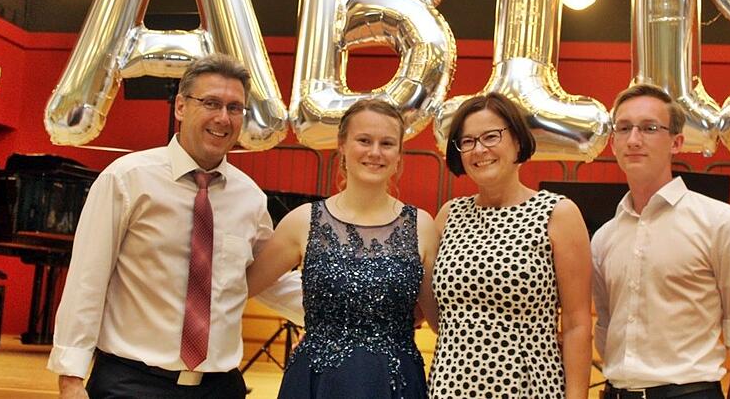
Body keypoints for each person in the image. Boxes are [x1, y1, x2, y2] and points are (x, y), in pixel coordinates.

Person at [47, 54, 304, 399]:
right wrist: (71, 377)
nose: (223, 118)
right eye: (211, 103)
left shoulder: (250, 199)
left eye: (234, 108)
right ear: (181, 107)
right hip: (132, 384)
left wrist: (353, 304)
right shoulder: (126, 179)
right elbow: (87, 280)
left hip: (220, 387)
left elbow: (267, 278)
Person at [591, 84, 730, 399]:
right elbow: (607, 332)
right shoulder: (604, 237)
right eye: (623, 129)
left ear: (676, 142)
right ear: (613, 143)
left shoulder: (722, 223)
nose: (634, 139)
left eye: (649, 128)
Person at [247, 98, 440, 399]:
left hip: (395, 383)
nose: (375, 152)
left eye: (387, 143)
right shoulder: (302, 222)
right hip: (317, 380)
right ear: (342, 146)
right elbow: (242, 286)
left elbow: (439, 317)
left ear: (399, 154)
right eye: (364, 140)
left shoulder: (423, 227)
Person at [429, 92, 593, 399]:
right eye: (467, 141)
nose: (479, 150)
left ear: (517, 140)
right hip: (449, 386)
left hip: (526, 386)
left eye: (491, 136)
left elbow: (576, 324)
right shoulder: (448, 215)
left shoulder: (558, 213)